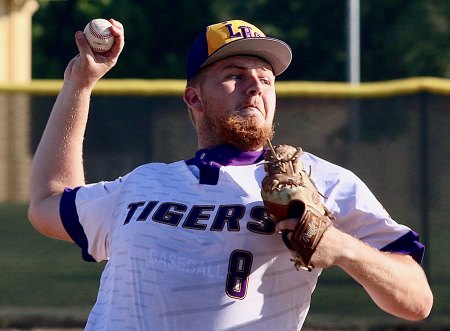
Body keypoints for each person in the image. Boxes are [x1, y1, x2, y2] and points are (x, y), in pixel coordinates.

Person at [28, 18, 433, 330]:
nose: (255, 87)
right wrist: (79, 84)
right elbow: (48, 203)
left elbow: (416, 299)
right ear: (195, 98)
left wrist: (343, 248)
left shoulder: (320, 182)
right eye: (235, 75)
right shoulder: (141, 184)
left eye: (265, 79)